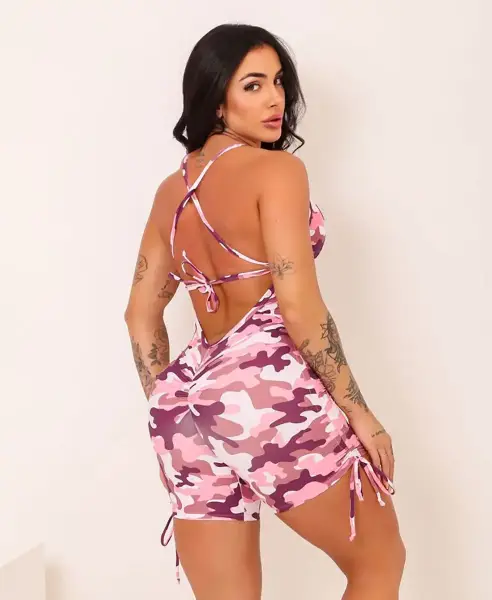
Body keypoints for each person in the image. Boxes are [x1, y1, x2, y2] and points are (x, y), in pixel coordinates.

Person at [124, 23, 405, 600]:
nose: (275, 99)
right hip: (266, 391)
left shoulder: (169, 192)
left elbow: (138, 315)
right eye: (252, 85)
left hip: (182, 405)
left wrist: (175, 412)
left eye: (278, 82)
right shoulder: (278, 171)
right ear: (215, 98)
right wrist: (361, 414)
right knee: (379, 561)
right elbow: (300, 308)